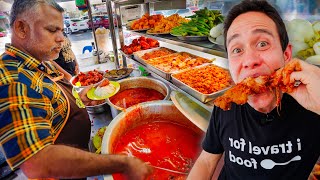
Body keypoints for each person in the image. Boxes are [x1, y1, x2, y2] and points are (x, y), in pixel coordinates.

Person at [0, 0, 152, 179]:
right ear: (21, 28)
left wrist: (81, 96)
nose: (61, 38)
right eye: (52, 30)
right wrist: (123, 163)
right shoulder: (14, 80)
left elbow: (52, 101)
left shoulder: (38, 62)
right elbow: (38, 162)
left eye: (62, 31)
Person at [188, 0, 320, 179]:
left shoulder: (312, 105)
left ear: (286, 55)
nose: (250, 60)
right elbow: (206, 161)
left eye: (262, 44)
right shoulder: (226, 104)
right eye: (237, 49)